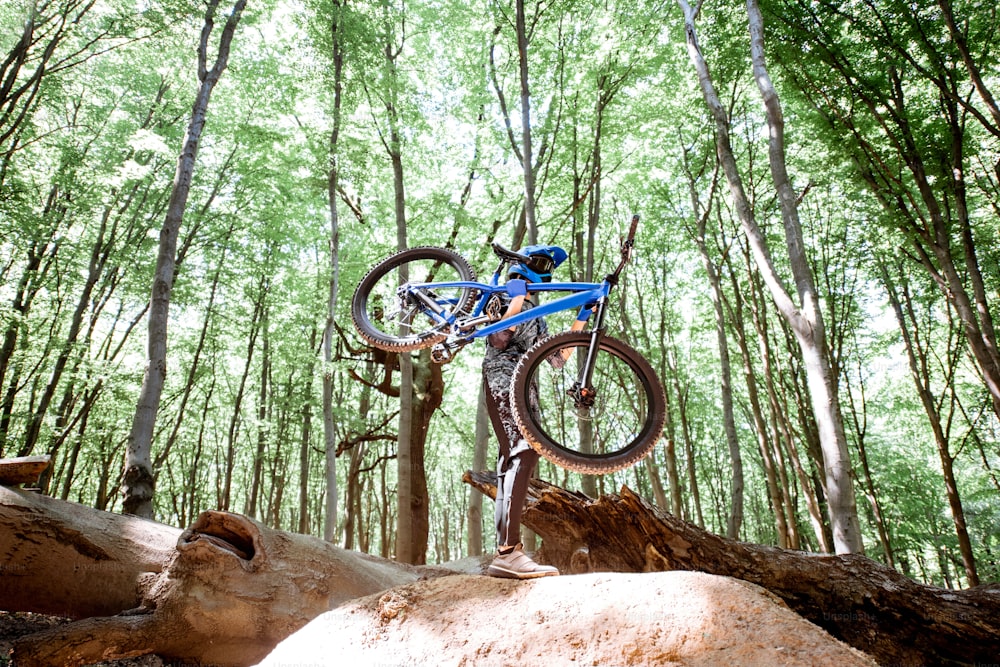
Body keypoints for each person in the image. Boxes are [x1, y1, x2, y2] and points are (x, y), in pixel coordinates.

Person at [482, 243, 568, 579]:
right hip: (502, 379)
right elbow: (498, 338)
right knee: (523, 449)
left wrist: (582, 318)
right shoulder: (502, 295)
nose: (548, 269)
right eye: (543, 262)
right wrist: (516, 297)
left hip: (527, 389)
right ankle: (508, 551)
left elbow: (558, 360)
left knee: (514, 459)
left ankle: (506, 551)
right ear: (527, 264)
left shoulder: (537, 313)